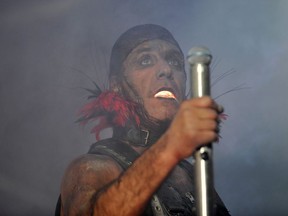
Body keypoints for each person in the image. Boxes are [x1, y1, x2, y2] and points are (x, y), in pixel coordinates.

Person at [56, 24, 230, 216]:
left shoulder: (194, 176)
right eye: (145, 60)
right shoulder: (91, 168)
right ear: (116, 86)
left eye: (174, 62)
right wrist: (171, 145)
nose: (166, 69)